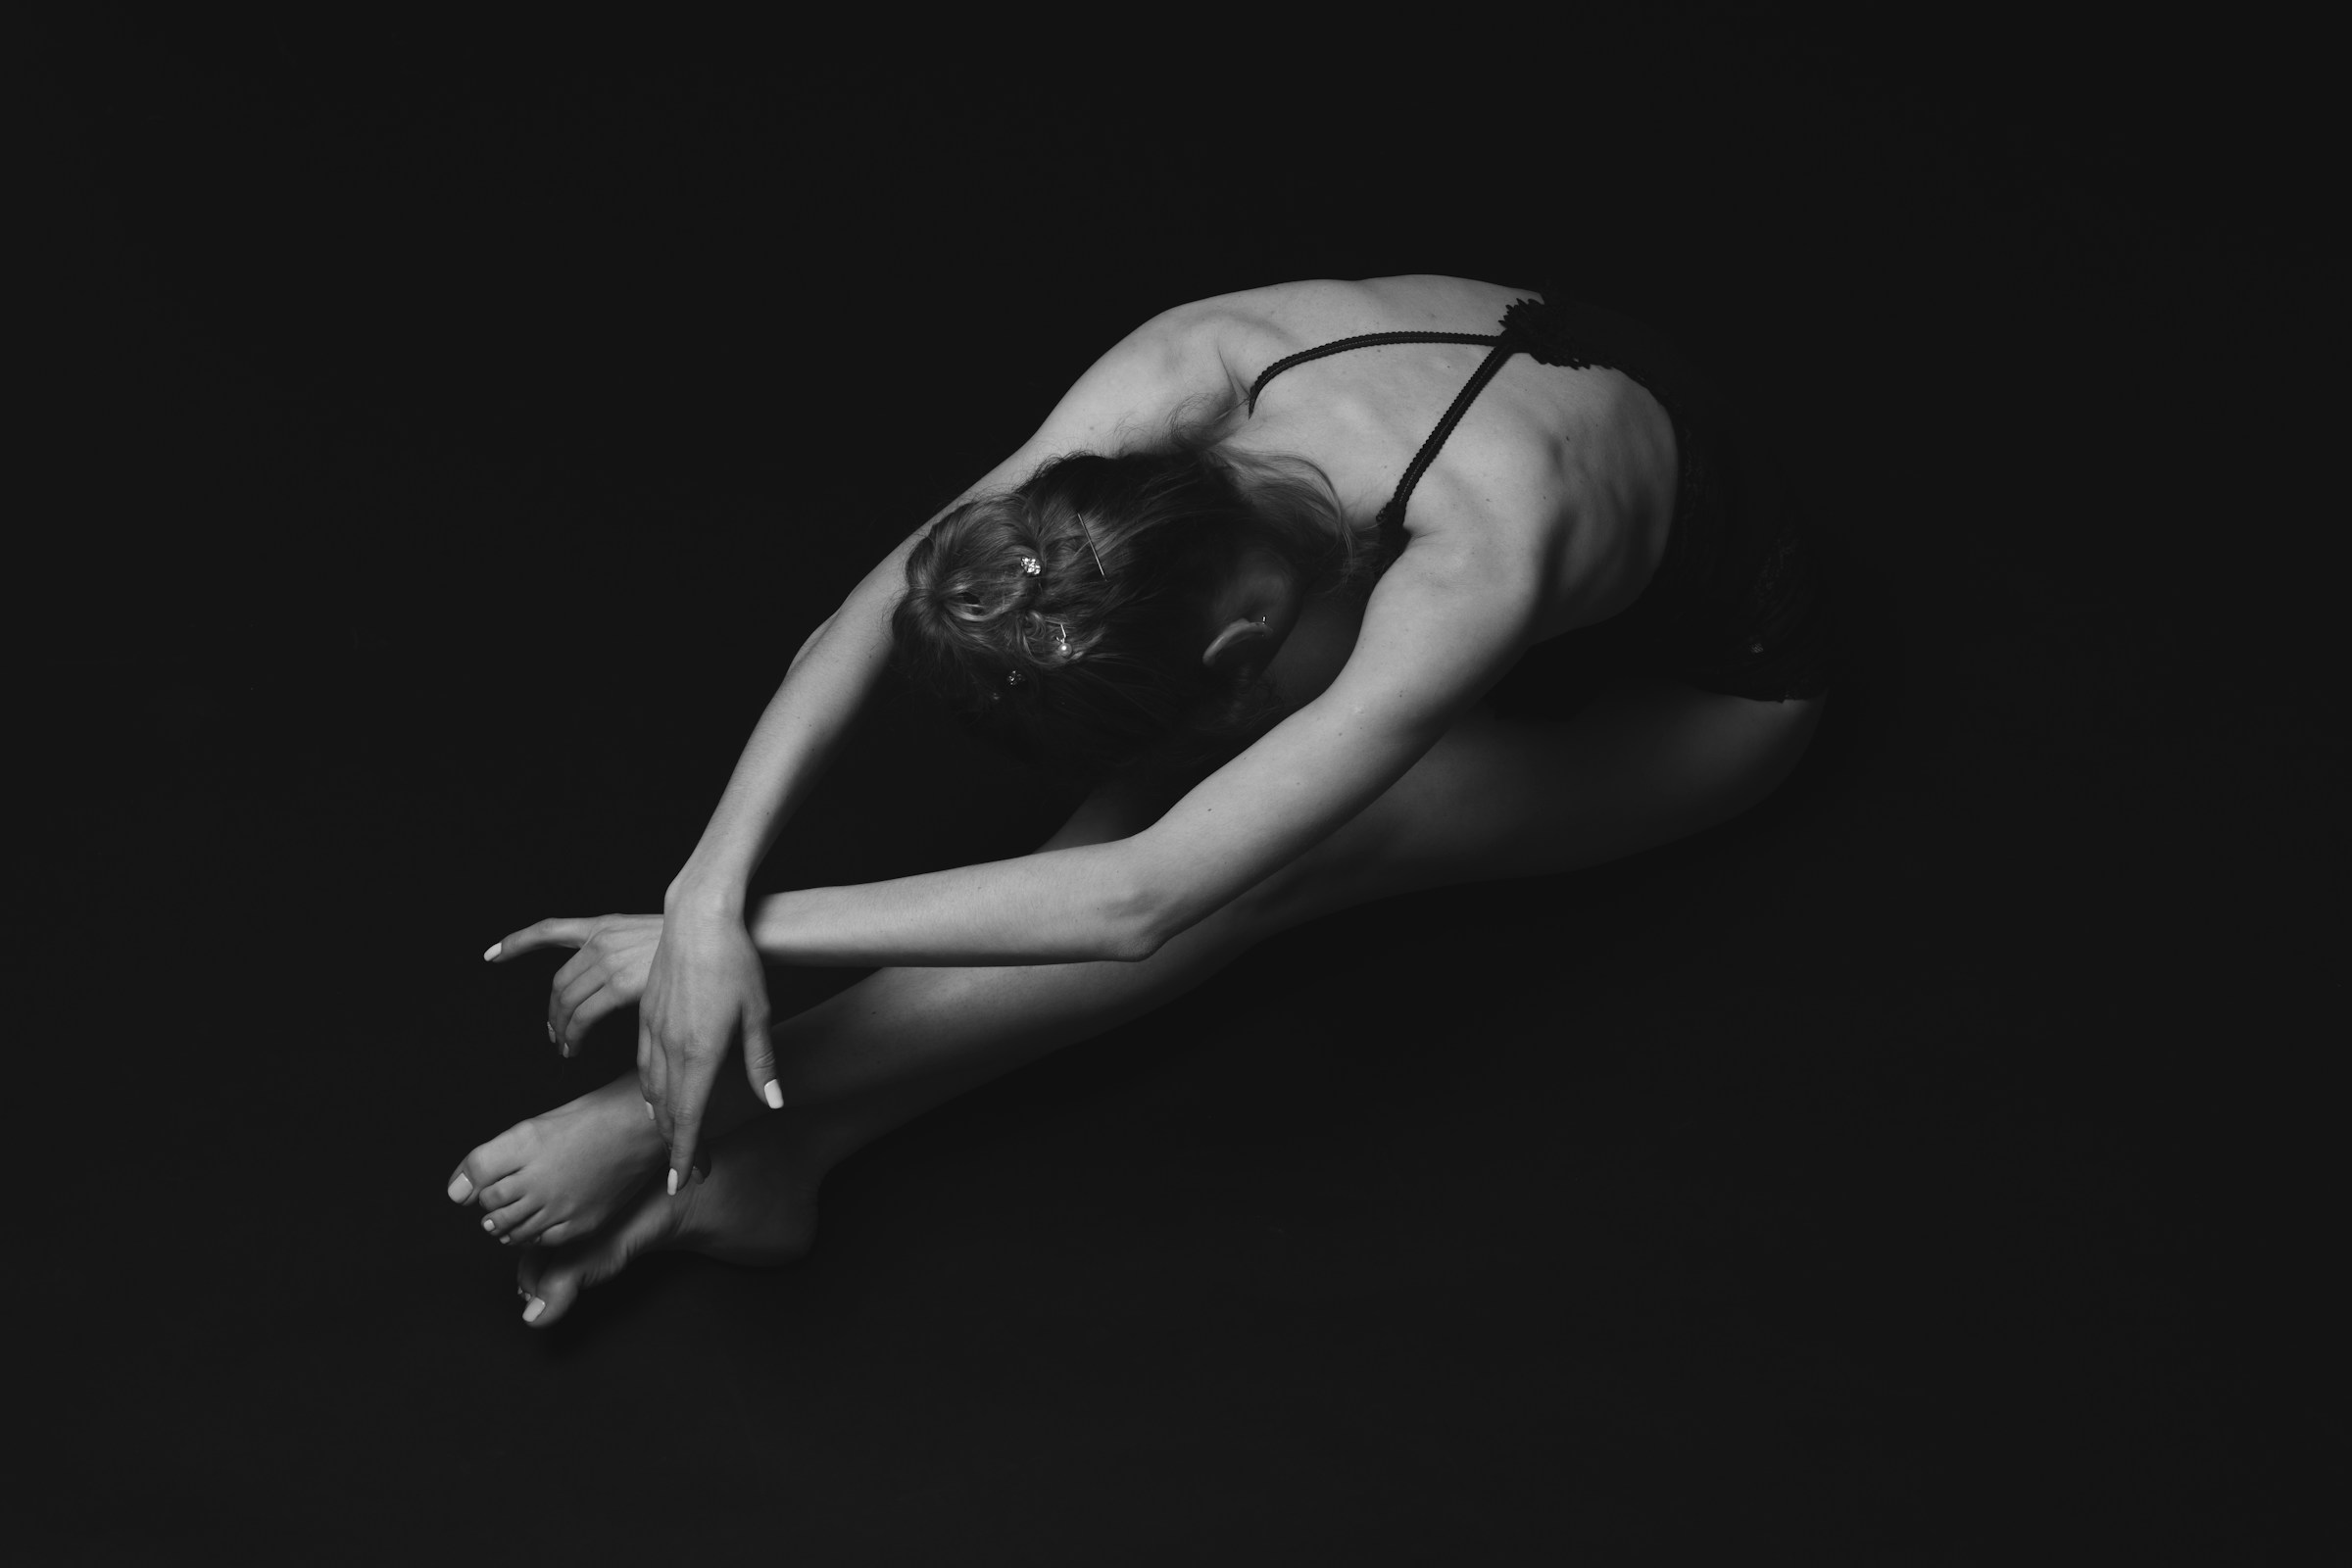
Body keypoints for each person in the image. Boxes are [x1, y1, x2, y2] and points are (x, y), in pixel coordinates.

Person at [445, 274, 1837, 1327]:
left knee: (1288, 848)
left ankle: (702, 1129)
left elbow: (1142, 900)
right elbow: (889, 593)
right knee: (1171, 777)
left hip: (1719, 697)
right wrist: (702, 896)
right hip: (1415, 526)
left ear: (1239, 660)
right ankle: (786, 1158)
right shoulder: (1189, 372)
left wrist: (750, 937)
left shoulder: (1485, 548)